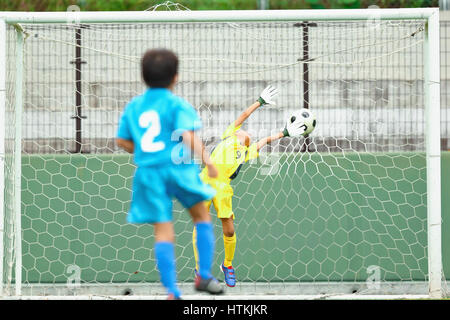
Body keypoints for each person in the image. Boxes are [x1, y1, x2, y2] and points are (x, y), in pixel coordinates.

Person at [116, 48, 224, 299]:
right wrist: (208, 161)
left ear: (143, 77)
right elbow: (187, 134)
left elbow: (122, 140)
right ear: (175, 77)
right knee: (201, 217)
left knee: (163, 231)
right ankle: (204, 276)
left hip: (150, 173)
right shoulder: (176, 104)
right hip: (179, 169)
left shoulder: (135, 106)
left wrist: (143, 151)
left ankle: (172, 291)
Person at [193, 85, 305, 287]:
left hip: (223, 188)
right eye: (244, 131)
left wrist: (285, 132)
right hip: (205, 180)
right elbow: (244, 115)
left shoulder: (246, 152)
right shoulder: (229, 134)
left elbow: (265, 140)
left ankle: (227, 265)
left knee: (228, 230)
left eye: (249, 135)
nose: (247, 132)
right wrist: (260, 102)